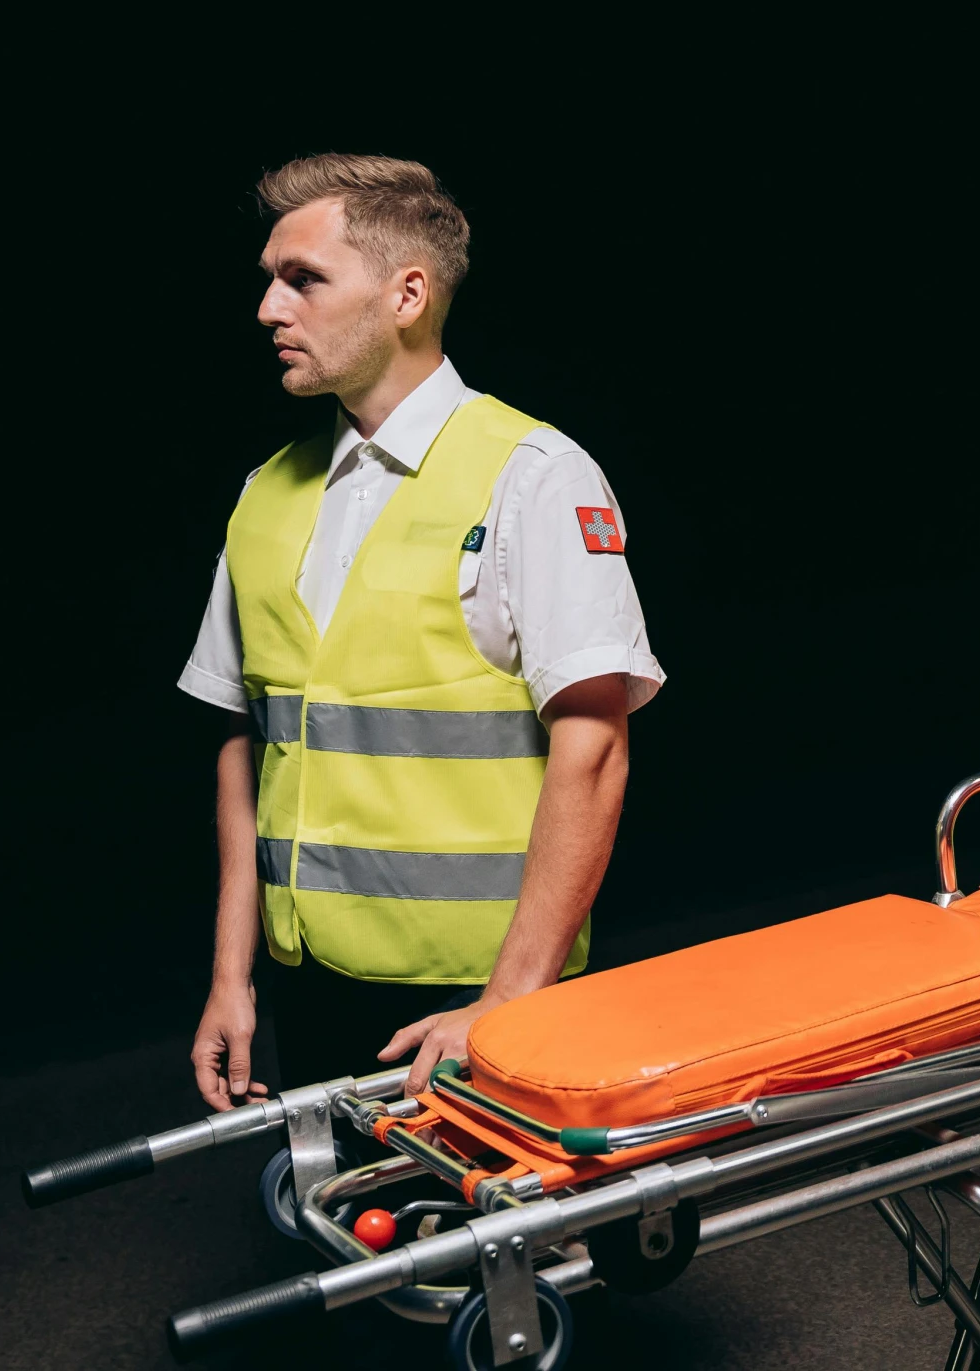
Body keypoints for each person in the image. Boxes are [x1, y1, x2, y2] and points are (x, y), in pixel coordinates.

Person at [182, 154, 664, 1114]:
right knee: (349, 1239)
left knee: (496, 1258)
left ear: (408, 294)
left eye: (303, 280)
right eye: (269, 281)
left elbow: (596, 746)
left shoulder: (533, 474)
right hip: (307, 984)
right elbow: (246, 743)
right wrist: (231, 977)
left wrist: (508, 999)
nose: (269, 310)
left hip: (480, 992)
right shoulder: (262, 497)